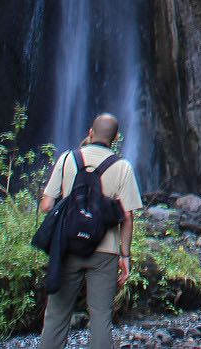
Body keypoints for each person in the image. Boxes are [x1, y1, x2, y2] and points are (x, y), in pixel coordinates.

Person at [37, 113, 143, 349]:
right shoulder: (122, 167)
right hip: (105, 252)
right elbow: (127, 216)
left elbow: (46, 204)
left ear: (90, 132)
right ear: (115, 138)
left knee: (56, 315)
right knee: (101, 317)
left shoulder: (67, 158)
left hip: (67, 247)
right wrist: (125, 255)